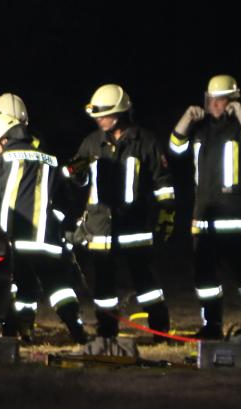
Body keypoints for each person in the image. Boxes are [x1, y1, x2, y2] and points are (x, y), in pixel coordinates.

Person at [65, 84, 175, 341]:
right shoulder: (92, 143)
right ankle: (107, 330)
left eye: (104, 114)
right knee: (104, 284)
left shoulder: (145, 142)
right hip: (101, 228)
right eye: (97, 115)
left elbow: (163, 183)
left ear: (121, 113)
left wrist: (166, 216)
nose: (99, 119)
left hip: (134, 226)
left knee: (145, 281)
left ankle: (160, 328)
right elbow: (77, 178)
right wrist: (75, 172)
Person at [168, 74, 241, 339]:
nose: (214, 104)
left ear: (233, 101)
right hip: (204, 219)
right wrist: (186, 119)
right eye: (211, 99)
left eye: (221, 100)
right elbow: (175, 149)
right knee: (205, 281)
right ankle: (211, 326)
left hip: (237, 220)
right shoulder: (200, 130)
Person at [0, 107, 88, 344]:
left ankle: (19, 332)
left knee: (17, 287)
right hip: (47, 241)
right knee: (59, 287)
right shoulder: (50, 160)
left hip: (13, 240)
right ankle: (76, 328)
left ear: (4, 140)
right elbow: (64, 200)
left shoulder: (1, 160)